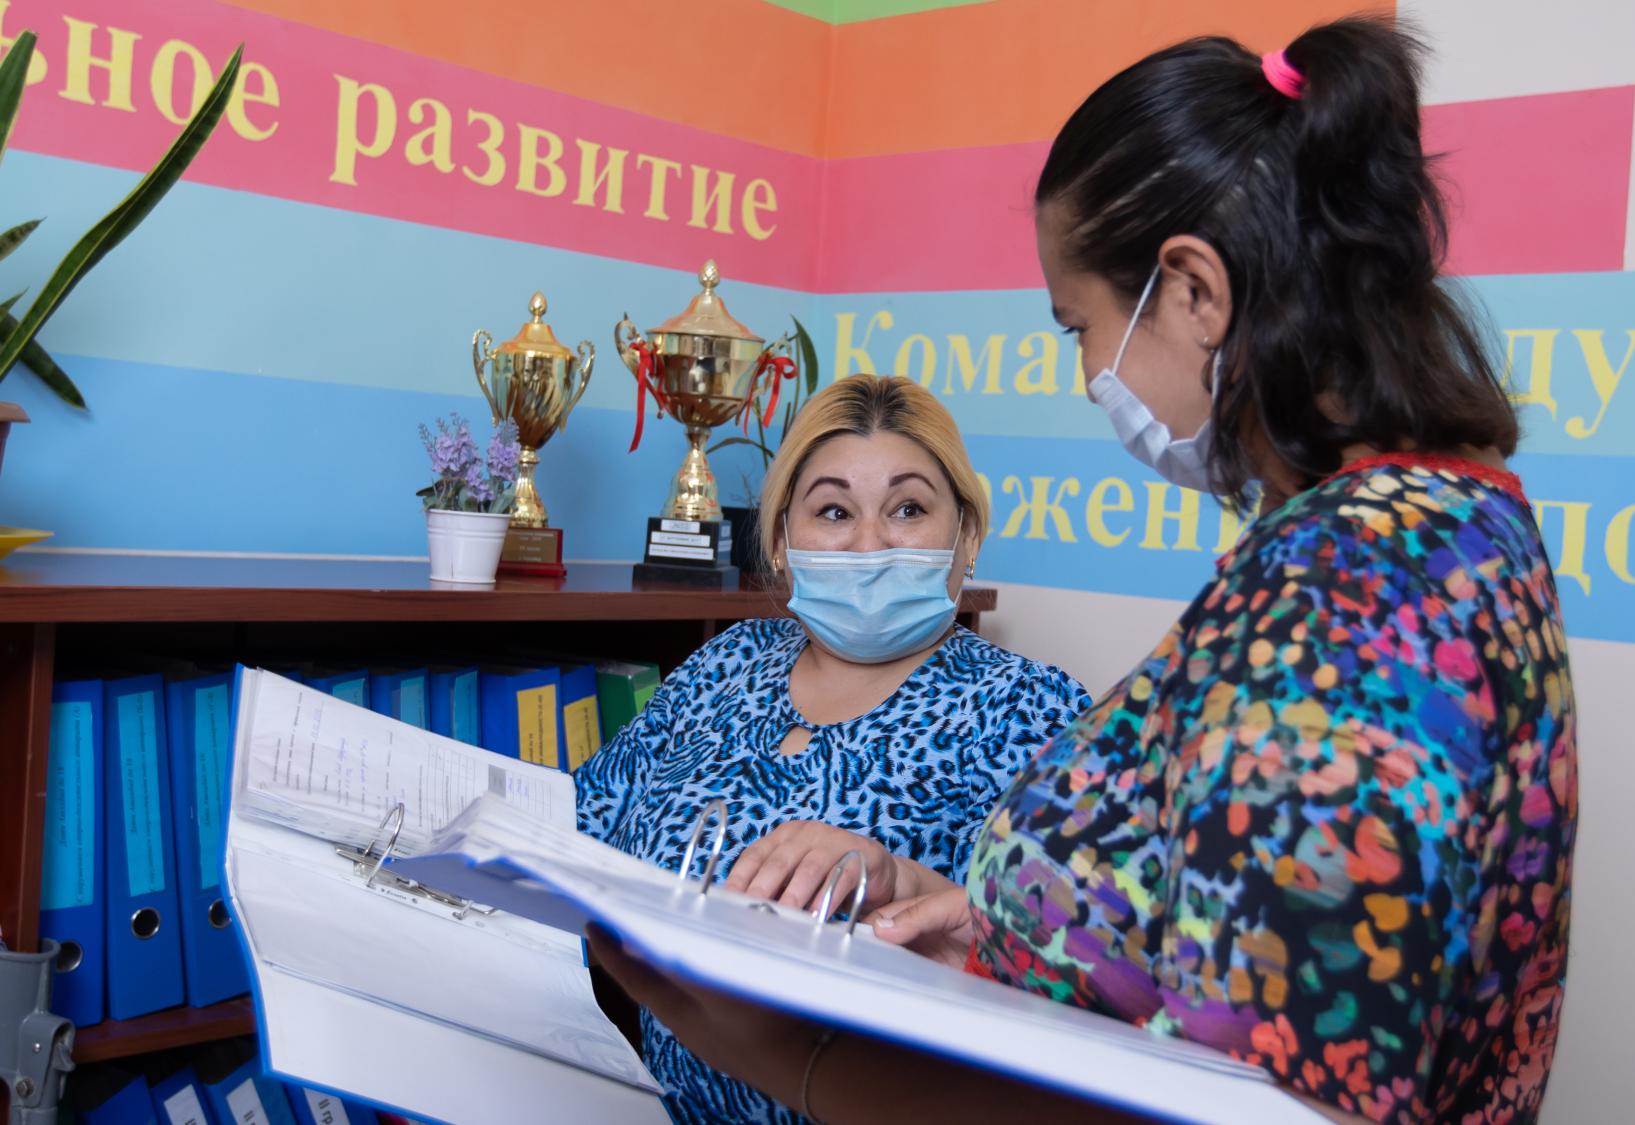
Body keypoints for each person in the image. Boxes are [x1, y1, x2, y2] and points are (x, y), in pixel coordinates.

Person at [590, 16, 1577, 1125]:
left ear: (1193, 292)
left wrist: (801, 1070)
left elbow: (1253, 1106)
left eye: (1079, 327)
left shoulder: (1355, 596)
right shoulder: (1410, 536)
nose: (1085, 374)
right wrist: (987, 924)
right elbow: (1224, 941)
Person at [574, 373, 1091, 1124]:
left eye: (908, 508)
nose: (870, 542)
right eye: (834, 510)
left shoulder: (1034, 712)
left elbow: (1074, 970)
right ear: (783, 542)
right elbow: (580, 823)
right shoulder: (727, 662)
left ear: (967, 537)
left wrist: (901, 882)